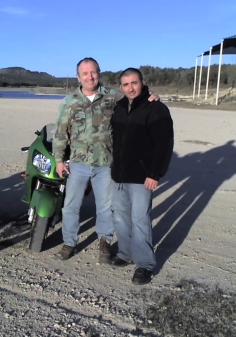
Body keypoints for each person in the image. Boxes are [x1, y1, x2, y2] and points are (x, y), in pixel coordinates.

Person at [52, 58, 158, 262]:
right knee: (71, 206)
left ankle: (104, 242)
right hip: (78, 162)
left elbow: (135, 97)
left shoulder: (113, 96)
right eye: (85, 73)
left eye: (93, 72)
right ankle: (69, 243)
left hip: (105, 163)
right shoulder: (69, 102)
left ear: (98, 73)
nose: (90, 76)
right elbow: (60, 133)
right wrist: (58, 160)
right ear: (78, 77)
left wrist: (151, 95)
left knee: (105, 206)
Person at [110, 68, 174, 285]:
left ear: (142, 82)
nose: (130, 88)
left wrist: (154, 173)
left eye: (134, 83)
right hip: (119, 173)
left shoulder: (156, 108)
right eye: (126, 84)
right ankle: (125, 253)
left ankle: (144, 265)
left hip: (142, 176)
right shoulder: (118, 108)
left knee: (140, 220)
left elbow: (164, 144)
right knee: (119, 216)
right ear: (121, 87)